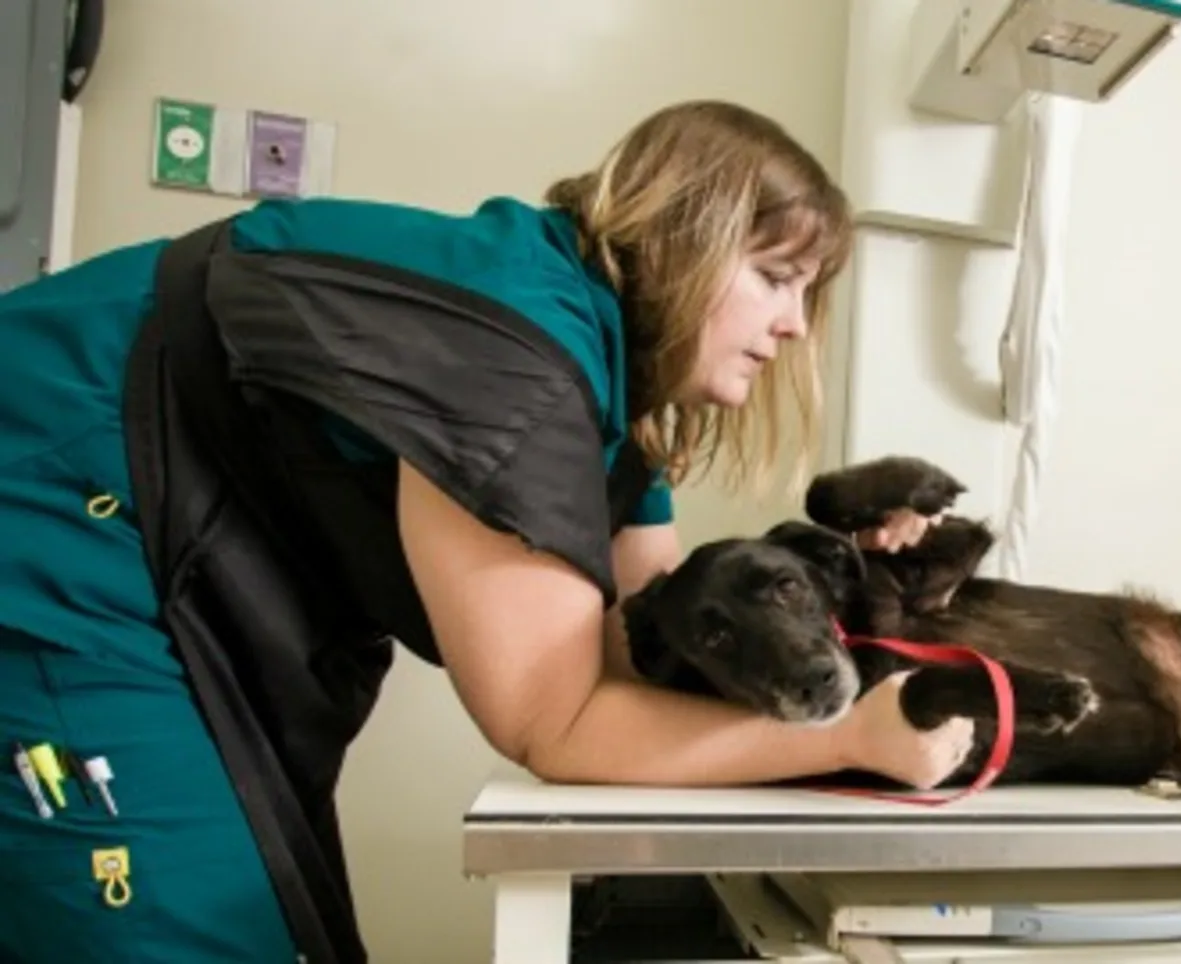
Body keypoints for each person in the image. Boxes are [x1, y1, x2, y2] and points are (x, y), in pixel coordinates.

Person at [0, 101, 973, 963]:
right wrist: (852, 735)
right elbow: (558, 722)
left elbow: (652, 646)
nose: (797, 325)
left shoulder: (603, 382)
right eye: (774, 277)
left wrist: (855, 581)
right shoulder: (519, 370)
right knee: (192, 924)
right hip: (53, 508)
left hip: (138, 545)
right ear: (684, 242)